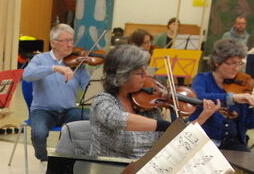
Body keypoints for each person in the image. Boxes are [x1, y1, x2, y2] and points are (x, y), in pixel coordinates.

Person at [87, 45, 219, 159]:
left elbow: (173, 138)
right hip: (107, 173)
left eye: (146, 70)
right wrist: (164, 125)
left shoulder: (148, 106)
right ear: (123, 75)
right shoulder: (103, 101)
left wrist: (202, 118)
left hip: (144, 173)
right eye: (140, 72)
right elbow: (117, 119)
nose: (147, 76)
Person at [22, 23, 90, 174]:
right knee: (38, 133)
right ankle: (44, 160)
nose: (70, 44)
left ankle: (80, 158)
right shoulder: (40, 59)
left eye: (71, 40)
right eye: (65, 40)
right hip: (43, 110)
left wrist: (85, 70)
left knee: (96, 119)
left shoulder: (76, 62)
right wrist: (54, 68)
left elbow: (87, 86)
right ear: (53, 43)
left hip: (69, 110)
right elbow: (27, 75)